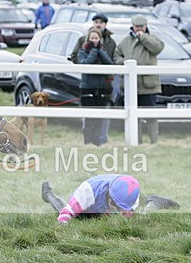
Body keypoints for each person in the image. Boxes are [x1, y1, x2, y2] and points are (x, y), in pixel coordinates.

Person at [40, 175, 178, 224]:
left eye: (120, 207)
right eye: (114, 204)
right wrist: (62, 222)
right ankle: (48, 193)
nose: (116, 209)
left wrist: (126, 214)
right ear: (109, 194)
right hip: (90, 207)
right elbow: (67, 211)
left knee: (141, 218)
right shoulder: (87, 191)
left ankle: (154, 202)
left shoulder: (130, 192)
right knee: (72, 217)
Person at [114, 14, 164, 144]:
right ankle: (137, 141)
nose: (139, 29)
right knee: (133, 116)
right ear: (133, 26)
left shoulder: (152, 39)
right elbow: (116, 55)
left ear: (146, 26)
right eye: (137, 26)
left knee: (150, 116)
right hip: (131, 86)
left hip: (148, 85)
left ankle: (154, 141)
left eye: (141, 26)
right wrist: (124, 62)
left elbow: (158, 48)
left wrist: (144, 38)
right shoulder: (126, 41)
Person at [70, 13, 117, 144]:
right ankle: (88, 141)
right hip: (88, 83)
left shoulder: (111, 42)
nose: (98, 24)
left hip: (104, 83)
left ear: (105, 24)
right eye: (96, 21)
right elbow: (77, 58)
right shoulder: (82, 42)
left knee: (102, 114)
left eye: (101, 22)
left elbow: (112, 60)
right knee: (89, 115)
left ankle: (100, 140)